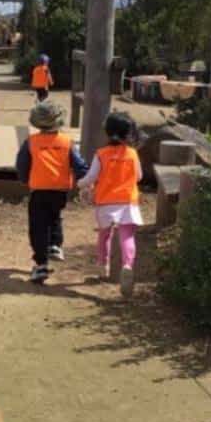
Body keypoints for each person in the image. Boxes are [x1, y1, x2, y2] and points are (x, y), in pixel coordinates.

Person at [16, 100, 88, 284]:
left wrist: (25, 179)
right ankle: (55, 245)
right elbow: (79, 164)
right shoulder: (66, 142)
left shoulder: (31, 142)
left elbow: (22, 165)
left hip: (39, 189)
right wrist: (84, 181)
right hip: (60, 189)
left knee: (38, 226)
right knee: (55, 217)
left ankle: (41, 264)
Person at [77, 111, 143, 298]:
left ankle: (102, 267)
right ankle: (127, 265)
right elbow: (139, 176)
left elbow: (91, 177)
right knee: (127, 237)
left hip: (106, 202)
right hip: (129, 202)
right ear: (127, 133)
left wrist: (80, 184)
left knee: (105, 235)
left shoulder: (101, 154)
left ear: (107, 132)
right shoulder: (132, 154)